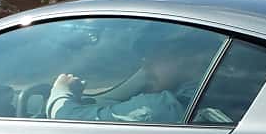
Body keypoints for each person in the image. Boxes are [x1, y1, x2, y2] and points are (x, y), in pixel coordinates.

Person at [47, 45, 208, 123]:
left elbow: (69, 119)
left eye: (159, 53)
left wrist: (61, 91)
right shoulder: (203, 95)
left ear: (189, 60)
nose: (147, 61)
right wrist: (147, 75)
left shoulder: (159, 107)